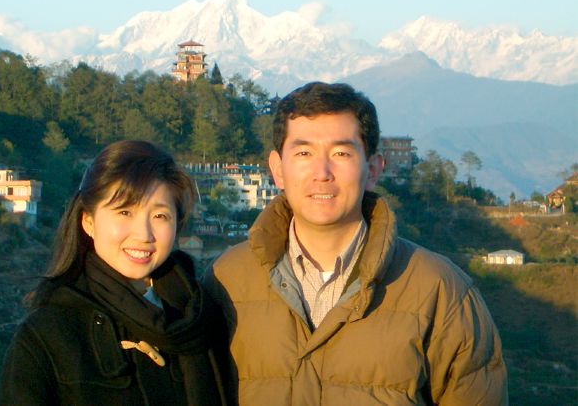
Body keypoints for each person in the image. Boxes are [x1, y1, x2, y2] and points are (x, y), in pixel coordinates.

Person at [203, 82, 507, 405]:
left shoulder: (440, 291)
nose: (322, 173)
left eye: (341, 153)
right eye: (304, 152)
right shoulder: (227, 281)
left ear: (373, 169)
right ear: (277, 169)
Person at [0, 140, 230, 406]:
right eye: (124, 211)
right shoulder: (47, 336)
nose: (143, 235)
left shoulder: (202, 318)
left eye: (160, 216)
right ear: (88, 222)